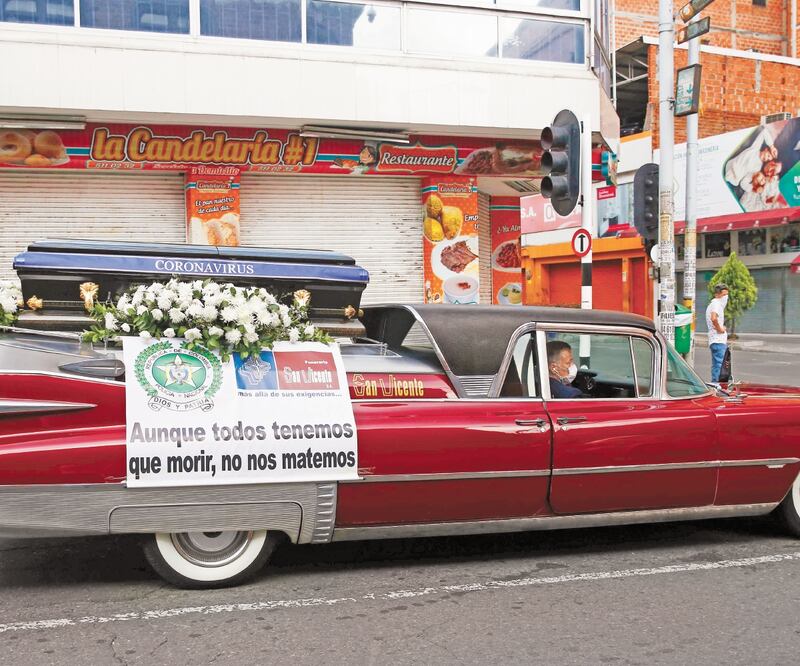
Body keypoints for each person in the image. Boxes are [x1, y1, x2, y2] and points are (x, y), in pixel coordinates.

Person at [706, 283, 729, 384]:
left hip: (716, 340)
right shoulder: (716, 304)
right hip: (718, 340)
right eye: (723, 295)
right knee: (720, 366)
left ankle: (716, 385)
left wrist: (721, 328)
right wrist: (720, 329)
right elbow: (713, 318)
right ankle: (717, 386)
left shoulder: (715, 304)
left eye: (727, 295)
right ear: (717, 294)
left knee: (717, 365)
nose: (726, 297)